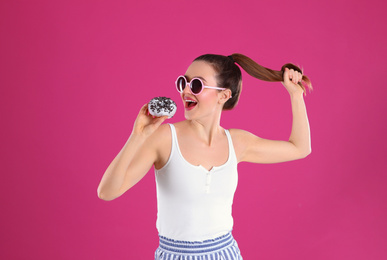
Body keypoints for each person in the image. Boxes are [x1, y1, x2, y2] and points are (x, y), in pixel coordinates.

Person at [97, 53, 312, 259]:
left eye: (197, 85)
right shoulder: (164, 137)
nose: (186, 91)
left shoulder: (237, 143)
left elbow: (300, 148)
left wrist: (295, 95)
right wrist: (137, 136)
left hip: (226, 253)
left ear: (223, 95)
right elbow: (107, 191)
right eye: (183, 83)